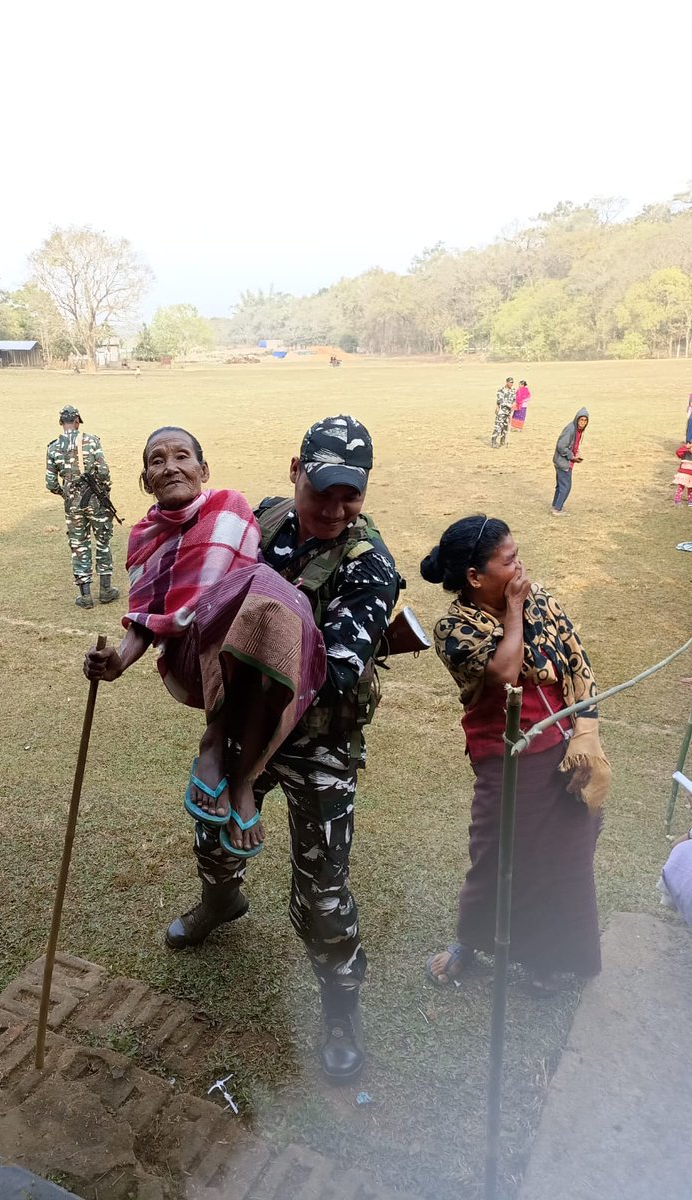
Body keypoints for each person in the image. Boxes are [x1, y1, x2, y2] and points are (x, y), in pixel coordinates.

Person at [146, 416, 400, 1083]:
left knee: (321, 892)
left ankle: (340, 1008)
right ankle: (220, 899)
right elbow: (202, 574)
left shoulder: (368, 566)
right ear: (296, 470)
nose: (334, 508)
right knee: (211, 828)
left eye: (351, 495)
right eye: (323, 491)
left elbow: (333, 674)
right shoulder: (265, 520)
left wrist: (257, 634)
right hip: (243, 722)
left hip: (320, 739)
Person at [84, 426, 326, 863]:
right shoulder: (143, 537)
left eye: (182, 456)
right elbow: (145, 619)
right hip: (187, 661)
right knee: (253, 589)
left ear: (203, 469)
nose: (171, 466)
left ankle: (242, 780)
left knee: (269, 598)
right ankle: (213, 743)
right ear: (145, 480)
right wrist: (117, 660)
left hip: (247, 657)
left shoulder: (230, 507)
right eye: (157, 460)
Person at [420, 515, 610, 995]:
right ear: (475, 577)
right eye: (509, 561)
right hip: (506, 758)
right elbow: (505, 673)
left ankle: (550, 959)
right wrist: (514, 611)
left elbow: (576, 661)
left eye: (517, 554)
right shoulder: (454, 627)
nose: (521, 567)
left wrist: (586, 738)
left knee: (565, 857)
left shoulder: (540, 598)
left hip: (564, 749)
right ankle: (472, 940)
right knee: (496, 855)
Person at [46, 406, 120, 608]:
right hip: (95, 498)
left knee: (79, 545)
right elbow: (104, 472)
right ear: (77, 421)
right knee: (103, 540)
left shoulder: (52, 448)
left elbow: (51, 483)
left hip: (72, 503)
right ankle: (105, 590)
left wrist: (66, 493)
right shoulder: (91, 441)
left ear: (61, 422)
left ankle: (85, 595)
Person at [551, 407, 589, 514]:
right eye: (581, 420)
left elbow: (572, 444)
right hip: (563, 462)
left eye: (585, 420)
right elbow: (561, 446)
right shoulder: (571, 429)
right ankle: (558, 510)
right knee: (566, 486)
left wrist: (576, 453)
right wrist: (572, 456)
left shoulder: (578, 430)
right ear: (577, 419)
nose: (583, 423)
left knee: (560, 485)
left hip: (563, 461)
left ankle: (555, 505)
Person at [491, 377, 516, 448]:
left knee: (505, 428)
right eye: (510, 382)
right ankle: (493, 441)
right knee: (498, 427)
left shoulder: (513, 391)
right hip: (501, 412)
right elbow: (500, 401)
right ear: (507, 382)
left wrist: (513, 405)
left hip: (508, 413)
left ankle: (502, 441)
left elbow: (514, 399)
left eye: (512, 382)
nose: (511, 384)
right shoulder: (501, 390)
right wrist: (509, 405)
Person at [673, 441, 692, 505]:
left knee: (691, 488)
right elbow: (678, 452)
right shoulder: (684, 453)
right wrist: (685, 447)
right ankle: (677, 499)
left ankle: (690, 501)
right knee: (681, 486)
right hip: (684, 474)